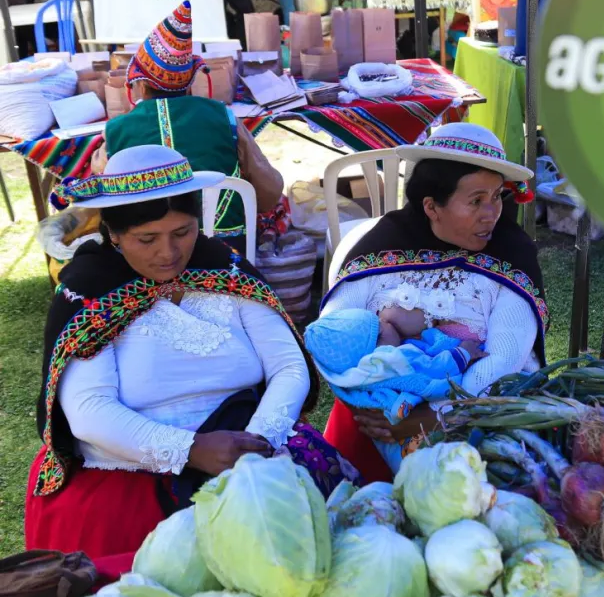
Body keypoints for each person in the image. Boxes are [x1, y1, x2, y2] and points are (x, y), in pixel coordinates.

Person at [26, 145, 358, 569]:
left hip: (256, 443)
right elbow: (89, 411)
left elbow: (288, 366)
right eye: (147, 239)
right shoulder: (91, 291)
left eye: (182, 232)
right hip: (132, 471)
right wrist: (190, 450)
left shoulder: (224, 270)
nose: (169, 252)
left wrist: (256, 445)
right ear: (113, 234)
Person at [317, 123, 546, 482]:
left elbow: (504, 358)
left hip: (479, 419)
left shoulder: (512, 256)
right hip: (373, 420)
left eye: (497, 196)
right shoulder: (382, 247)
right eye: (476, 201)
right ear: (431, 206)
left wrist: (437, 415)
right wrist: (381, 405)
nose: (492, 214)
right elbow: (334, 330)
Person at [90, 0, 283, 256]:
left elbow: (107, 196)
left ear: (142, 85)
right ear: (190, 83)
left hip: (151, 260)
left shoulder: (116, 130)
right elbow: (270, 194)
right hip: (226, 252)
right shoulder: (224, 117)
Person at [306, 308, 486, 471]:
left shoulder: (357, 381)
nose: (386, 322)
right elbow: (436, 368)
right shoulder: (393, 359)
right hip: (427, 427)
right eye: (381, 326)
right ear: (378, 345)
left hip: (393, 444)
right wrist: (464, 352)